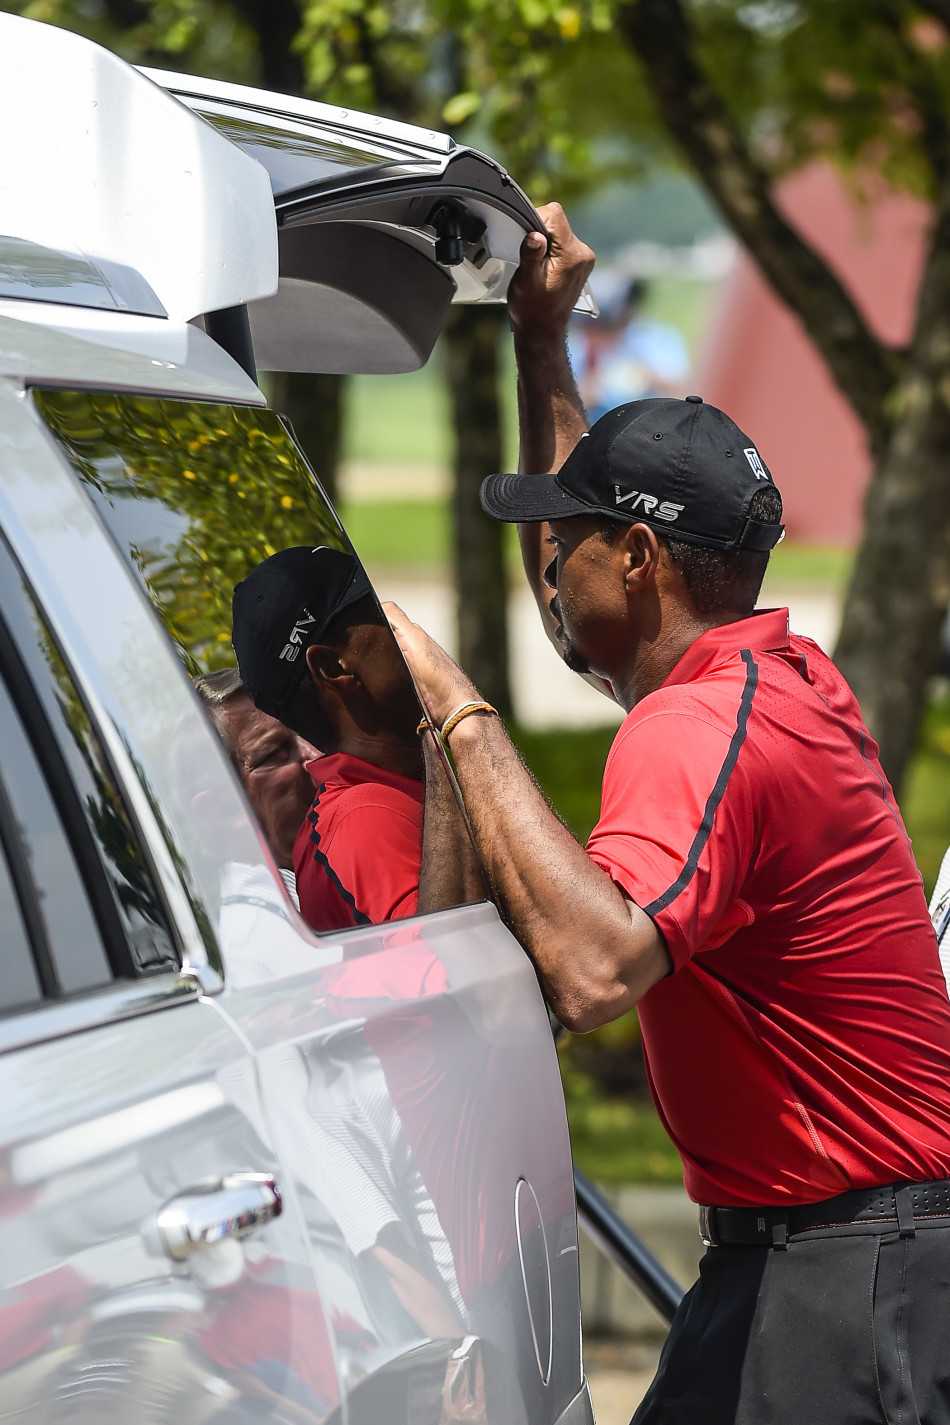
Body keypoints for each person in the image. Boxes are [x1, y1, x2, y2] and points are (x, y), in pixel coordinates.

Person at [385, 204, 950, 1425]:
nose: (549, 568)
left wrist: (451, 706)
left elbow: (594, 968)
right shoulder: (765, 676)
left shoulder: (701, 727)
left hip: (850, 1279)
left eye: (573, 543)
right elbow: (571, 605)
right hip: (827, 1255)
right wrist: (541, 343)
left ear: (639, 560)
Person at [232, 544, 480, 933]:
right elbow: (452, 957)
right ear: (334, 668)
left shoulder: (386, 793)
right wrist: (457, 718)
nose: (402, 625)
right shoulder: (361, 821)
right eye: (378, 614)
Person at [194, 667, 319, 892]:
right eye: (274, 754)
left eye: (313, 733)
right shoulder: (261, 912)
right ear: (218, 813)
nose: (316, 756)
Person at [569, 275, 688, 423]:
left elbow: (682, 393)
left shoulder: (655, 339)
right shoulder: (577, 345)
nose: (595, 334)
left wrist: (646, 377)